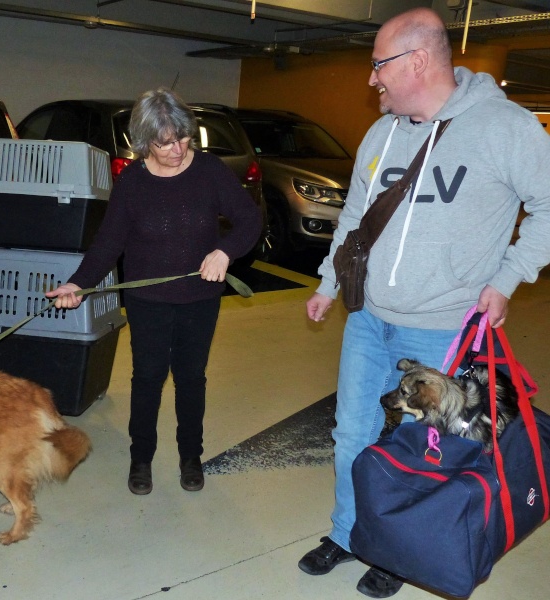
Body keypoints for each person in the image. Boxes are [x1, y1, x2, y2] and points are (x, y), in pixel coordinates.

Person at [299, 7, 550, 599]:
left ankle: (402, 552)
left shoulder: (504, 127)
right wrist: (329, 285)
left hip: (445, 329)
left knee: (427, 448)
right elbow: (356, 221)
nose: (371, 80)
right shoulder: (380, 134)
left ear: (417, 62)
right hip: (369, 319)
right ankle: (351, 531)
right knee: (352, 433)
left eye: (378, 66)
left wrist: (510, 276)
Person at [46, 88, 262, 496]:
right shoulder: (133, 182)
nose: (177, 150)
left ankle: (190, 456)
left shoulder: (211, 171)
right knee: (147, 378)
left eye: (182, 139)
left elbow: (249, 220)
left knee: (191, 379)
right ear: (144, 142)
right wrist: (79, 283)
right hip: (148, 304)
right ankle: (140, 458)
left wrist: (224, 251)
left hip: (200, 299)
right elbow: (108, 243)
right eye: (164, 143)